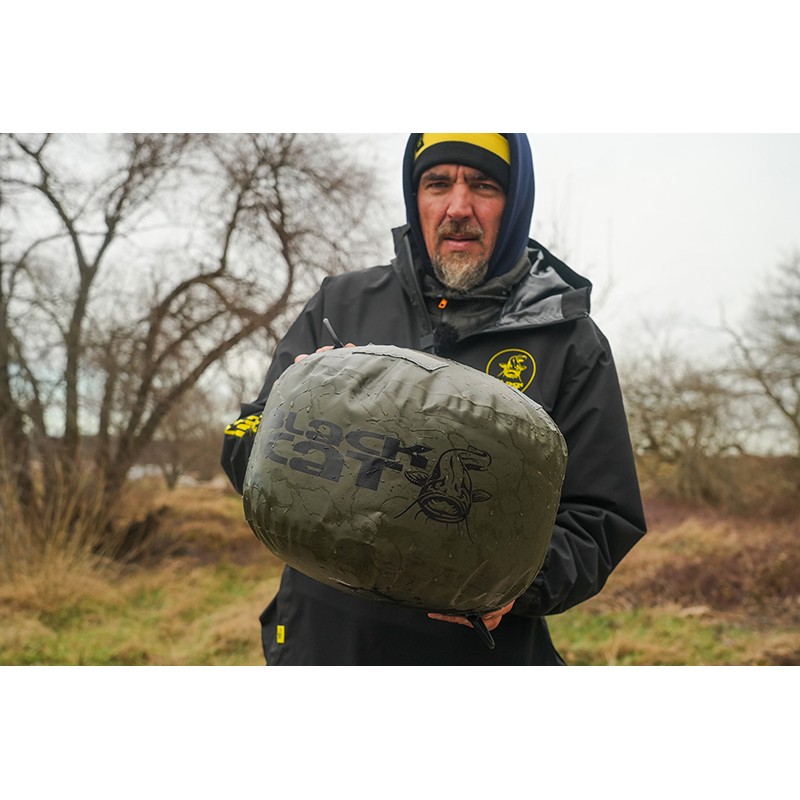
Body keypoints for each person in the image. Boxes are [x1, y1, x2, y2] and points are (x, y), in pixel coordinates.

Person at [221, 133, 647, 665]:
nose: (458, 207)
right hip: (322, 643)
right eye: (438, 184)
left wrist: (510, 587)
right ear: (414, 196)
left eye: (483, 186)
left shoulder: (569, 338)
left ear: (516, 203)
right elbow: (244, 434)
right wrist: (296, 413)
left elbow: (601, 517)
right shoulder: (341, 302)